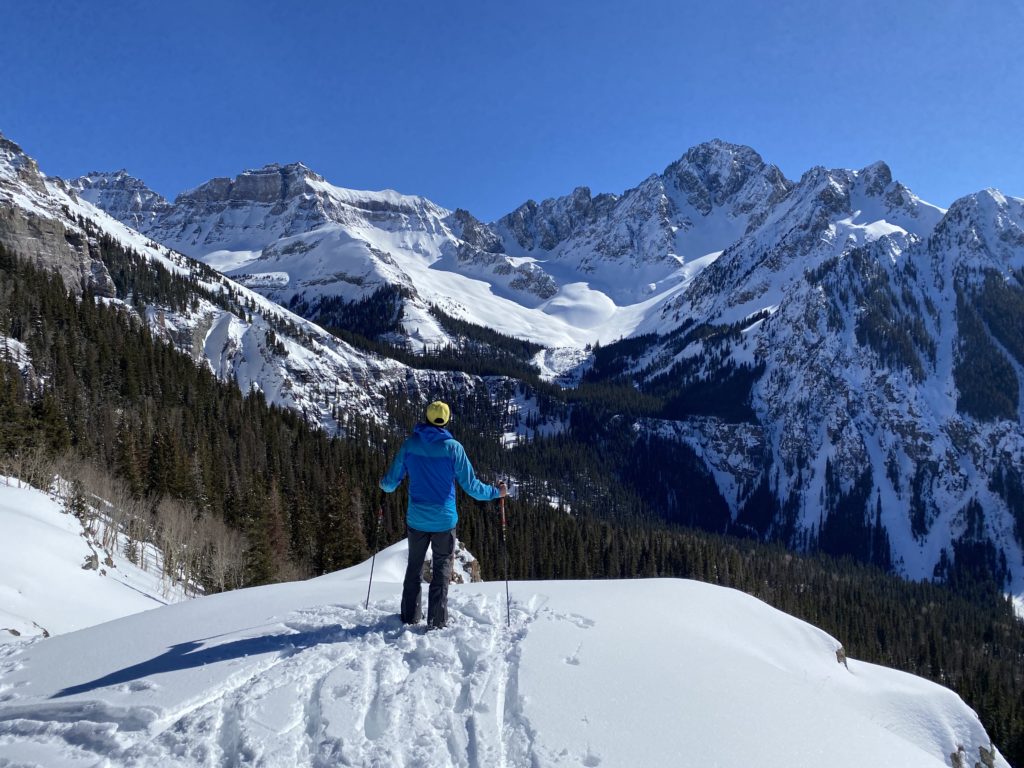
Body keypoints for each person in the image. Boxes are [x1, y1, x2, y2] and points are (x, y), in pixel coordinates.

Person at [379, 400, 507, 629]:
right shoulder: (453, 448)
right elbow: (473, 488)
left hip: (417, 519)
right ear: (446, 421)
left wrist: (383, 484)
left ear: (426, 418)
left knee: (414, 569)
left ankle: (409, 617)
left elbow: (389, 485)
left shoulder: (410, 445)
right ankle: (437, 621)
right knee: (441, 571)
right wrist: (497, 492)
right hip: (444, 521)